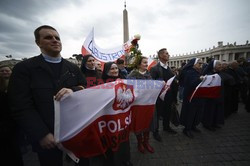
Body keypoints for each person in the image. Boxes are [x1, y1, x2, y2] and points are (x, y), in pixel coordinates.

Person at [8, 25, 86, 166]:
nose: (55, 40)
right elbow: (20, 105)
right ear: (38, 43)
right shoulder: (24, 69)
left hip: (75, 130)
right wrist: (41, 133)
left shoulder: (73, 68)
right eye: (48, 37)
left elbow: (85, 89)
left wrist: (73, 90)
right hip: (47, 136)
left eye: (57, 38)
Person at [99, 62, 132, 166]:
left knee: (124, 140)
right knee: (112, 141)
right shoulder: (101, 83)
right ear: (106, 71)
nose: (115, 71)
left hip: (122, 117)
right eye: (112, 69)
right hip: (109, 118)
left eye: (116, 68)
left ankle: (125, 159)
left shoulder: (123, 80)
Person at [127, 56, 155, 154]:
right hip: (137, 104)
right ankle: (140, 143)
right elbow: (128, 88)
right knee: (139, 123)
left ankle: (146, 142)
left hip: (147, 103)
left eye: (146, 62)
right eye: (144, 62)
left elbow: (153, 87)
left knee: (147, 122)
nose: (146, 64)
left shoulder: (149, 74)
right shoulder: (132, 75)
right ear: (139, 64)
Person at [150, 48, 177, 142]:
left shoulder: (169, 68)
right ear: (161, 56)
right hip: (159, 96)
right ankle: (155, 131)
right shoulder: (154, 69)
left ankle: (166, 127)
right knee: (157, 114)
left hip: (169, 95)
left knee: (167, 112)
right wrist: (160, 84)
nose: (168, 55)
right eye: (166, 53)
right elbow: (152, 83)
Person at [0, 65, 24, 166]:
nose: (5, 72)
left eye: (7, 70)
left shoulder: (18, 84)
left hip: (15, 120)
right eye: (2, 71)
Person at [179, 58, 204, 138]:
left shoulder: (198, 72)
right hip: (190, 96)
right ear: (194, 64)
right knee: (190, 113)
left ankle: (193, 126)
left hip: (197, 96)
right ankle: (187, 129)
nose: (201, 65)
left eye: (201, 64)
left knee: (196, 112)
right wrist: (200, 79)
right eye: (199, 63)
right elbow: (192, 84)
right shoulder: (189, 72)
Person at [202, 60, 224, 131]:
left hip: (217, 95)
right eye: (219, 65)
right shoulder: (208, 74)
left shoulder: (219, 73)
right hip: (210, 97)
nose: (221, 66)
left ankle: (214, 123)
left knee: (216, 110)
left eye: (221, 64)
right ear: (214, 66)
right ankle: (207, 124)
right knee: (209, 111)